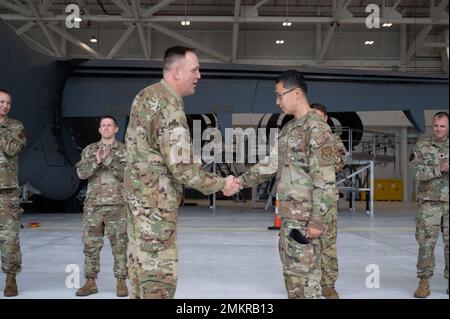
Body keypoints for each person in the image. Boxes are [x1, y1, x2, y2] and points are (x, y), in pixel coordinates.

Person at [124, 46, 240, 299]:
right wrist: (222, 184)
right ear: (177, 72)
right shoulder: (169, 107)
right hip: (155, 211)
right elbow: (184, 169)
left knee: (140, 276)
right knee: (157, 282)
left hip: (138, 206)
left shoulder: (145, 95)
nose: (199, 75)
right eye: (195, 69)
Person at [237, 70, 336, 299]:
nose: (277, 101)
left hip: (307, 222)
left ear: (297, 93)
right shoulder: (289, 129)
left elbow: (325, 182)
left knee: (308, 284)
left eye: (280, 95)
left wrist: (318, 221)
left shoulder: (317, 129)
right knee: (292, 281)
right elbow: (271, 164)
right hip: (289, 218)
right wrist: (240, 181)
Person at [75, 115, 128, 297]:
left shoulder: (124, 150)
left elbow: (128, 176)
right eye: (103, 125)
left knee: (119, 244)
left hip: (117, 205)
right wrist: (96, 160)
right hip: (93, 206)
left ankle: (121, 281)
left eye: (109, 125)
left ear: (116, 129)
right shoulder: (90, 150)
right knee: (91, 245)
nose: (106, 128)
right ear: (99, 130)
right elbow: (81, 173)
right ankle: (90, 282)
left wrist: (108, 160)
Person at [410, 111, 449, 298]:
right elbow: (415, 172)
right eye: (436, 126)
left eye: (442, 126)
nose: (439, 130)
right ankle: (424, 282)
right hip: (429, 203)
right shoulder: (422, 146)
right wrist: (438, 169)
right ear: (432, 126)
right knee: (426, 244)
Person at [310, 102, 347, 299]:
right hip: (305, 198)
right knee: (305, 243)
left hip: (326, 199)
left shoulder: (334, 140)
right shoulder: (301, 139)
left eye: (320, 117)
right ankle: (308, 282)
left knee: (329, 243)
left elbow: (340, 163)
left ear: (325, 119)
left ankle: (329, 285)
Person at [0, 88, 26, 297]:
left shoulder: (16, 127)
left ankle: (11, 279)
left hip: (6, 192)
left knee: (9, 238)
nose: (5, 106)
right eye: (1, 102)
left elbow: (11, 149)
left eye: (8, 103)